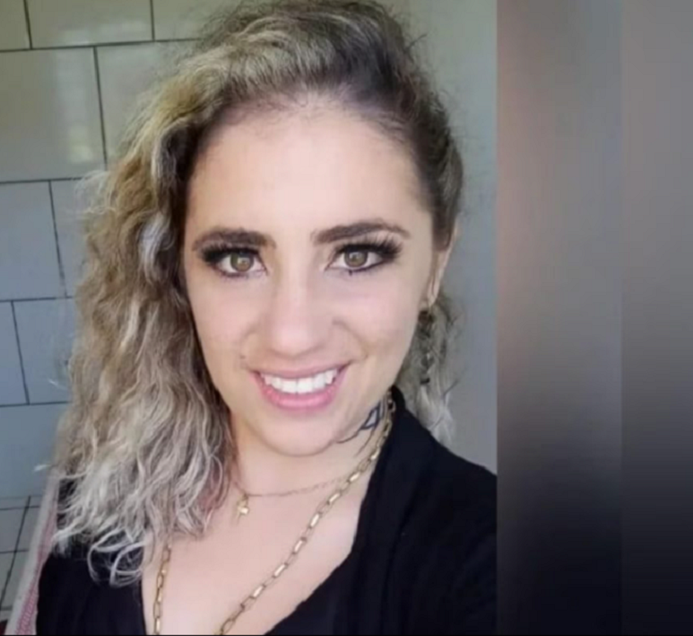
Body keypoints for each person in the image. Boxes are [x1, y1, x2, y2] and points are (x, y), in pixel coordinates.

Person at [36, 0, 495, 633]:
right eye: (238, 258)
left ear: (435, 266)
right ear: (177, 269)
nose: (292, 334)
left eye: (357, 255)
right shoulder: (104, 490)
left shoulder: (481, 558)